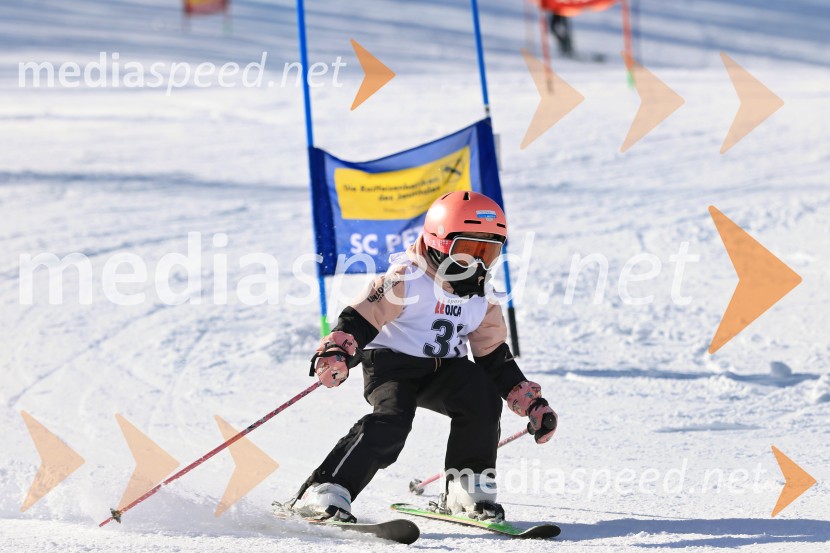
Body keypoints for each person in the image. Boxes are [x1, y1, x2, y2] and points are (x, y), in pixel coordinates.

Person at [286, 191, 558, 523]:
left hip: (445, 370)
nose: (478, 263)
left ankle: (466, 488)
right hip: (392, 366)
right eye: (467, 251)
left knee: (482, 395)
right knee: (393, 420)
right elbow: (361, 317)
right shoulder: (406, 279)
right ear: (439, 243)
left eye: (487, 251)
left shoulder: (482, 298)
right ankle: (325, 489)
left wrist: (531, 403)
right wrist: (339, 352)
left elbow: (493, 357)